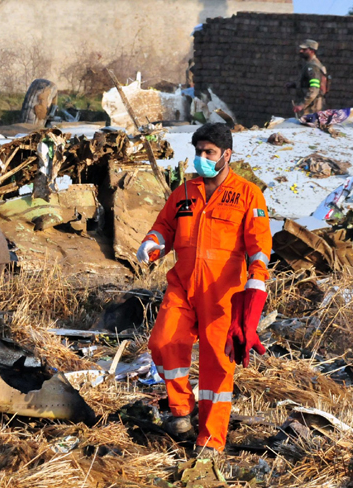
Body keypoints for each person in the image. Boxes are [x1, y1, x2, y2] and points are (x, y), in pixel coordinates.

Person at [138, 123, 272, 456]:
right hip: (182, 287)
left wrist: (256, 282)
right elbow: (164, 227)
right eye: (198, 152)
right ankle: (182, 410)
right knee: (163, 342)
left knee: (217, 366)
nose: (201, 158)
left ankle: (211, 439)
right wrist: (151, 243)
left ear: (227, 155)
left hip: (223, 294)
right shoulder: (184, 192)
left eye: (208, 152)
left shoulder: (247, 194)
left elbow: (259, 246)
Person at [286, 39, 327, 116]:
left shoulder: (312, 67)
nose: (301, 51)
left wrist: (302, 105)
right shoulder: (309, 64)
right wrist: (294, 84)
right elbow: (307, 82)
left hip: (312, 108)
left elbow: (314, 88)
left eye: (304, 49)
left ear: (312, 51)